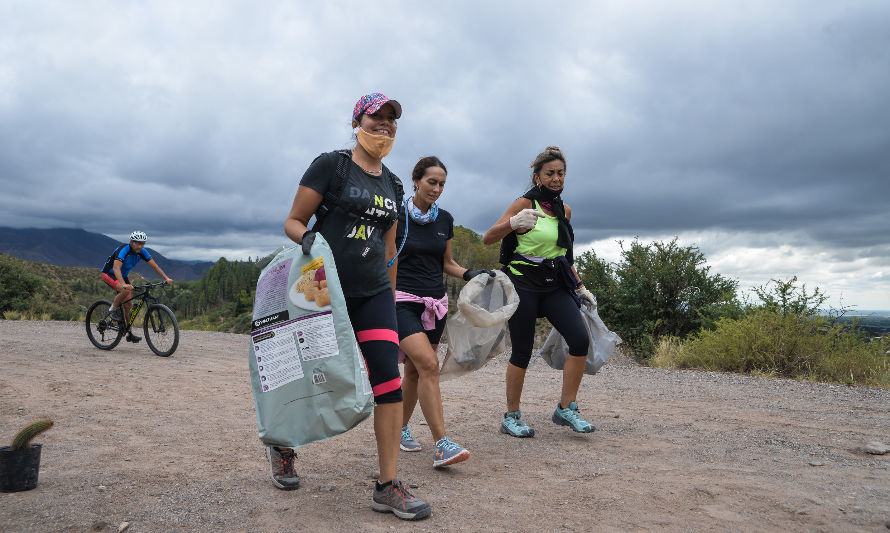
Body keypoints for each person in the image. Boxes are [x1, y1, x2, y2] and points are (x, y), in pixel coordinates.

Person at [282, 93, 431, 521]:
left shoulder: (395, 184)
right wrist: (309, 241)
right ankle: (281, 444)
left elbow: (390, 249)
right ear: (357, 121)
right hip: (322, 289)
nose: (384, 124)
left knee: (386, 376)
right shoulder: (332, 165)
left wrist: (393, 294)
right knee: (308, 374)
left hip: (373, 293)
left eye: (391, 119)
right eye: (376, 117)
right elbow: (294, 220)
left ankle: (387, 486)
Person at [481, 146, 597, 438]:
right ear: (537, 177)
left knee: (580, 339)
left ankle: (566, 407)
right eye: (550, 174)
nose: (556, 178)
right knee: (522, 350)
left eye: (561, 173)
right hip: (522, 283)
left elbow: (564, 256)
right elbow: (487, 238)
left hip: (554, 283)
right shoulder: (523, 203)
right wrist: (513, 223)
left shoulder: (564, 210)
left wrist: (580, 286)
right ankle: (512, 416)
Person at [394, 156, 493, 467]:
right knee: (428, 365)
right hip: (400, 300)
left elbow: (446, 262)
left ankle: (399, 429)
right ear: (416, 181)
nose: (436, 189)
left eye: (441, 184)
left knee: (414, 370)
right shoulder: (396, 216)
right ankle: (442, 443)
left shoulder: (444, 219)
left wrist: (469, 274)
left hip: (435, 304)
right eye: (431, 182)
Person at [100, 230, 173, 343]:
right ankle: (112, 310)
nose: (140, 246)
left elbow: (155, 266)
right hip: (109, 274)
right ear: (131, 242)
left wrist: (166, 278)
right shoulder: (123, 250)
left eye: (142, 243)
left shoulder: (142, 252)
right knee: (123, 291)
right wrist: (123, 284)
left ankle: (129, 332)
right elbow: (116, 268)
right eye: (137, 243)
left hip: (122, 276)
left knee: (128, 305)